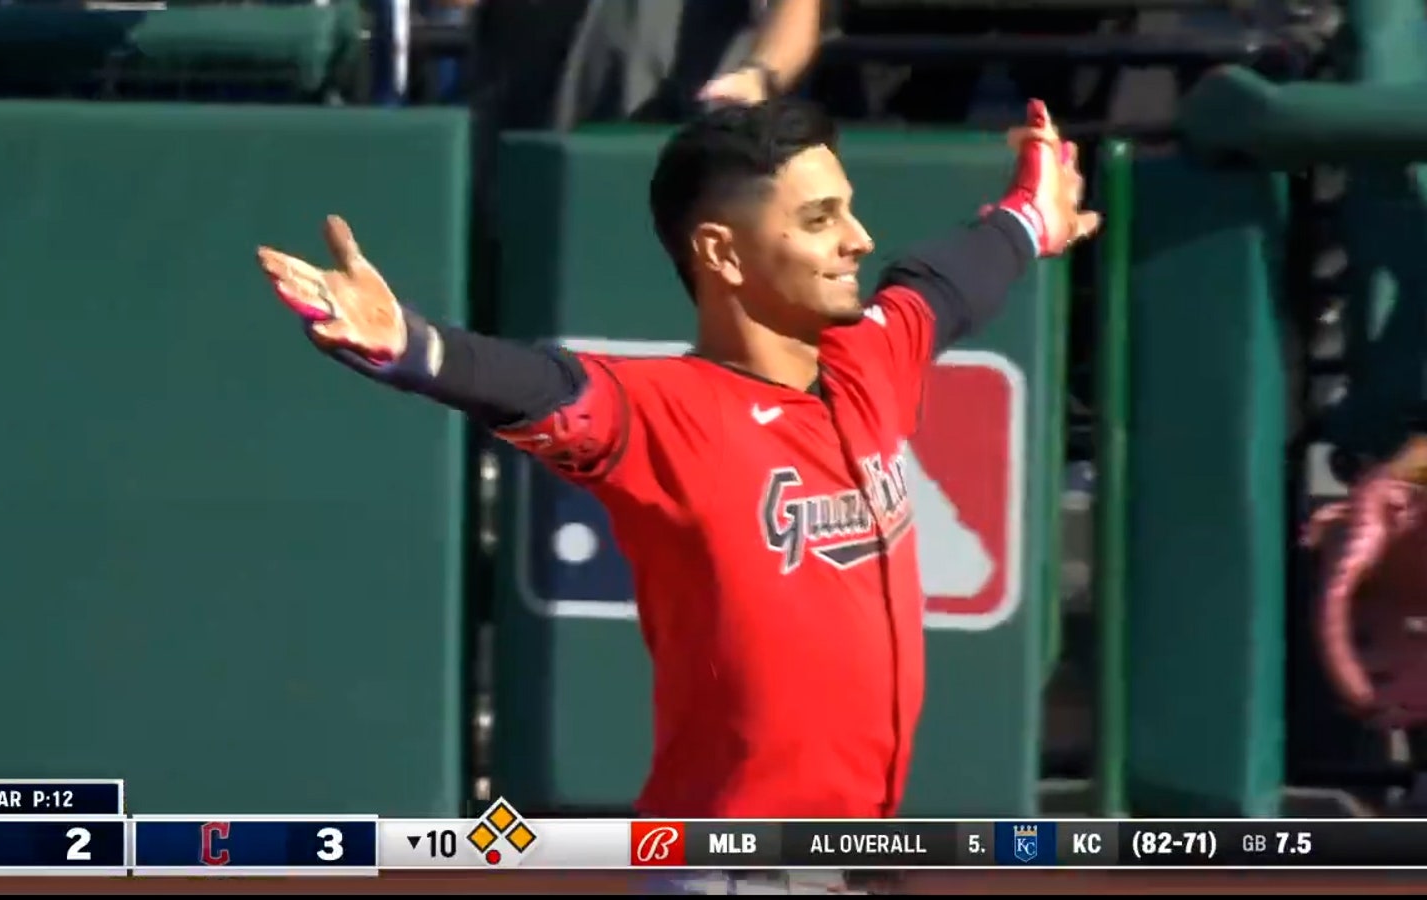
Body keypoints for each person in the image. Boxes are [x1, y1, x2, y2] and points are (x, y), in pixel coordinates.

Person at [256, 95, 1095, 861]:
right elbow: (544, 385)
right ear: (722, 253)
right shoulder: (667, 412)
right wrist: (414, 348)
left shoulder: (868, 362)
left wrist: (1030, 217)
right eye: (819, 218)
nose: (857, 238)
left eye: (847, 209)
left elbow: (940, 286)